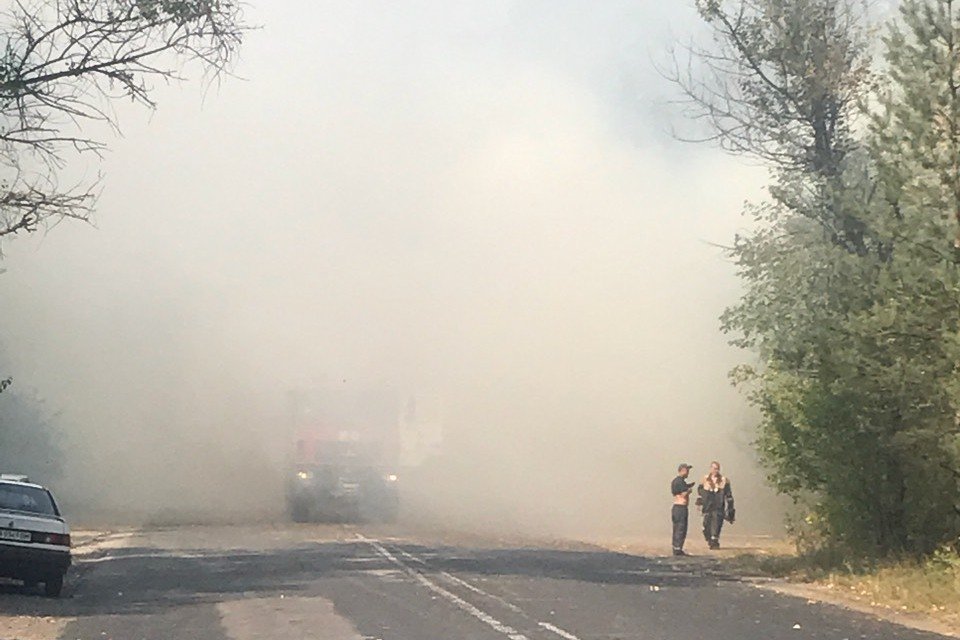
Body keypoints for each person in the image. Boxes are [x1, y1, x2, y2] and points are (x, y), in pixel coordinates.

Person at [697, 460, 735, 550]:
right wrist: (699, 503)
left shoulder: (724, 480)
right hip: (707, 506)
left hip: (718, 505)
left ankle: (715, 541)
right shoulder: (705, 479)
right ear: (710, 469)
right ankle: (709, 539)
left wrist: (730, 509)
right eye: (714, 468)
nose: (716, 470)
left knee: (716, 523)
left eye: (717, 469)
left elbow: (729, 495)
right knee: (705, 525)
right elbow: (700, 492)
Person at [670, 463, 695, 556]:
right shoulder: (680, 481)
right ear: (682, 470)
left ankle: (675, 547)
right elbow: (683, 494)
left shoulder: (676, 481)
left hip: (676, 508)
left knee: (676, 528)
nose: (688, 473)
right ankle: (678, 549)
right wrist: (689, 490)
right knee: (681, 528)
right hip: (681, 507)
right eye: (687, 470)